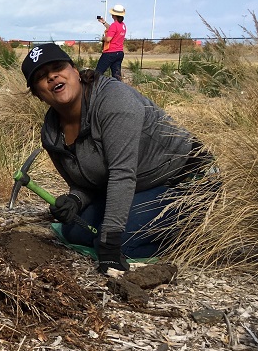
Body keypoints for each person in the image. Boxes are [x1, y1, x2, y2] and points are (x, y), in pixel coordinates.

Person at [21, 43, 212, 275]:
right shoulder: (51, 135)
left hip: (184, 179)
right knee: (74, 230)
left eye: (58, 67)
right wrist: (76, 200)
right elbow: (87, 182)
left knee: (116, 242)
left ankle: (199, 229)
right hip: (140, 186)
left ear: (75, 71)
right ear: (37, 94)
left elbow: (122, 173)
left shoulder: (114, 100)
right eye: (41, 77)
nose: (52, 76)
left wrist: (110, 239)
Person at [96, 5, 127, 81]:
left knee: (97, 74)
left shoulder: (114, 25)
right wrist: (104, 22)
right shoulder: (123, 25)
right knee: (117, 76)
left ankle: (94, 90)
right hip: (119, 53)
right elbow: (112, 29)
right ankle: (118, 90)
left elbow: (108, 39)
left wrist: (103, 38)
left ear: (114, 15)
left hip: (110, 53)